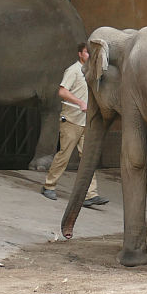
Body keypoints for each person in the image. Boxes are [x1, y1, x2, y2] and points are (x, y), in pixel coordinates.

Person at [40, 42, 108, 207]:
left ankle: (90, 194)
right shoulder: (73, 70)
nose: (89, 56)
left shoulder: (92, 73)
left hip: (86, 122)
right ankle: (49, 185)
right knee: (64, 155)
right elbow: (62, 91)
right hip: (71, 120)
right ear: (80, 54)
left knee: (87, 158)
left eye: (91, 53)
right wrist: (79, 102)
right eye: (86, 53)